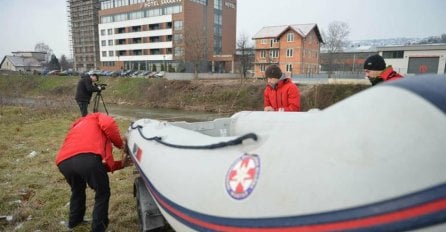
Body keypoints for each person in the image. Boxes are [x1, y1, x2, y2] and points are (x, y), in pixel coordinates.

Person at [55, 112, 131, 232]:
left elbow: (95, 168)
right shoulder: (98, 116)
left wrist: (120, 165)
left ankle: (75, 221)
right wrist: (122, 145)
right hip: (87, 159)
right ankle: (98, 229)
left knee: (77, 189)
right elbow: (108, 124)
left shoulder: (78, 123)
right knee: (102, 192)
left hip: (63, 162)